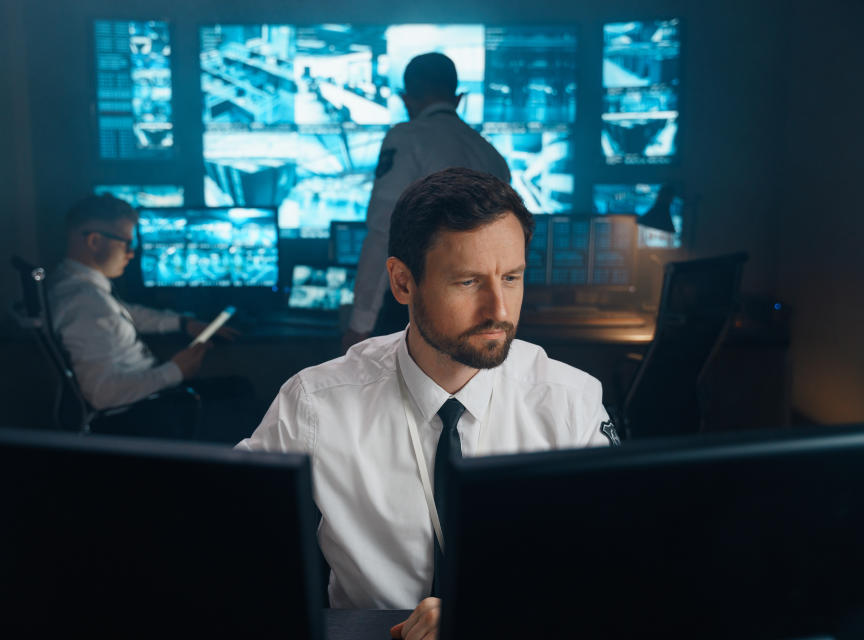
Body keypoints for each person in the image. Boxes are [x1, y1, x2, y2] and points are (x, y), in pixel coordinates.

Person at [237, 168, 620, 638]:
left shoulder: (571, 404)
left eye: (512, 277)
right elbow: (223, 533)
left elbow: (612, 573)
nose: (499, 310)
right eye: (467, 282)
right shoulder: (316, 404)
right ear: (402, 282)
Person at [343, 52, 511, 352]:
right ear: (458, 98)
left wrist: (360, 322)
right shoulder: (491, 155)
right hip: (481, 311)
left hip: (418, 311)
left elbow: (384, 230)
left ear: (406, 99)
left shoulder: (406, 138)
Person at [47, 194, 249, 439]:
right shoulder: (84, 304)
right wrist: (175, 370)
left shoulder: (78, 287)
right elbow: (102, 394)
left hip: (146, 396)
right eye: (127, 243)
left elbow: (127, 312)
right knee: (242, 398)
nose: (132, 254)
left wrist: (183, 323)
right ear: (95, 241)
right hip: (139, 413)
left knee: (239, 388)